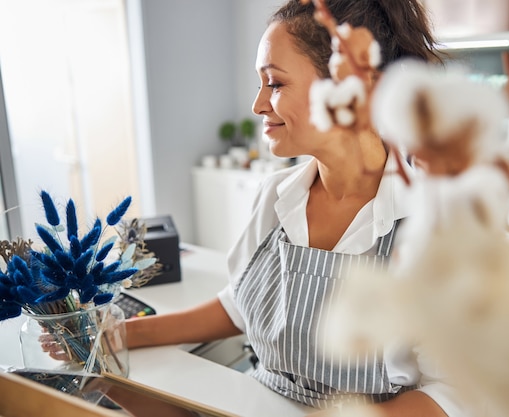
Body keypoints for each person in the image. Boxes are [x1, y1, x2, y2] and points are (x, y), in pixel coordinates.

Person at [126, 1, 462, 415]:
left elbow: (450, 393)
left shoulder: (439, 225)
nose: (258, 105)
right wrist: (123, 335)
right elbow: (239, 306)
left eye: (275, 84)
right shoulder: (275, 195)